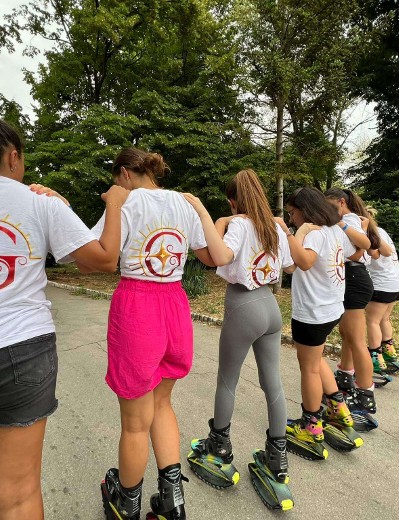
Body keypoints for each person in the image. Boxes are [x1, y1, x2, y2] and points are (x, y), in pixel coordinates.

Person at [86, 147, 231, 520]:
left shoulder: (125, 202)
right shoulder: (184, 203)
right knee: (163, 403)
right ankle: (173, 501)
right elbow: (212, 256)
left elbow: (95, 257)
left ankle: (127, 505)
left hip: (138, 307)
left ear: (124, 174)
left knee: (136, 424)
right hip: (175, 306)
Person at [0, 119, 128, 520]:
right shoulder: (39, 202)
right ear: (14, 157)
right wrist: (114, 203)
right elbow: (102, 260)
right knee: (19, 492)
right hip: (23, 348)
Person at [184, 170, 296, 506]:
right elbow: (290, 267)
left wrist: (217, 220)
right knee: (273, 383)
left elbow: (221, 256)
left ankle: (219, 446)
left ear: (233, 201)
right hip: (270, 307)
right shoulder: (273, 226)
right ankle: (277, 459)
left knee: (227, 381)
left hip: (243, 306)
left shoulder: (239, 225)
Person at [275, 187, 357, 458]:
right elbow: (354, 252)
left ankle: (310, 426)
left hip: (313, 312)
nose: (291, 218)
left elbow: (305, 262)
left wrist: (290, 234)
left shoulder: (314, 233)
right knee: (316, 359)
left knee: (308, 368)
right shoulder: (334, 230)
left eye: (292, 213)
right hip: (331, 308)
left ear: (305, 210)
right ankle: (338, 409)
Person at [324, 187, 385, 416]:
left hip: (354, 278)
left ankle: (365, 395)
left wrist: (339, 230)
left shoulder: (349, 220)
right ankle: (346, 377)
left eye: (330, 206)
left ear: (341, 202)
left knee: (357, 340)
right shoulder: (352, 220)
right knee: (348, 335)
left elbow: (360, 251)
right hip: (352, 279)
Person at [365, 207, 399, 372]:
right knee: (384, 319)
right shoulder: (381, 231)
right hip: (396, 283)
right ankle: (389, 352)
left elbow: (374, 254)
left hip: (382, 285)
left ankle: (376, 358)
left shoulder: (370, 234)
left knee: (372, 321)